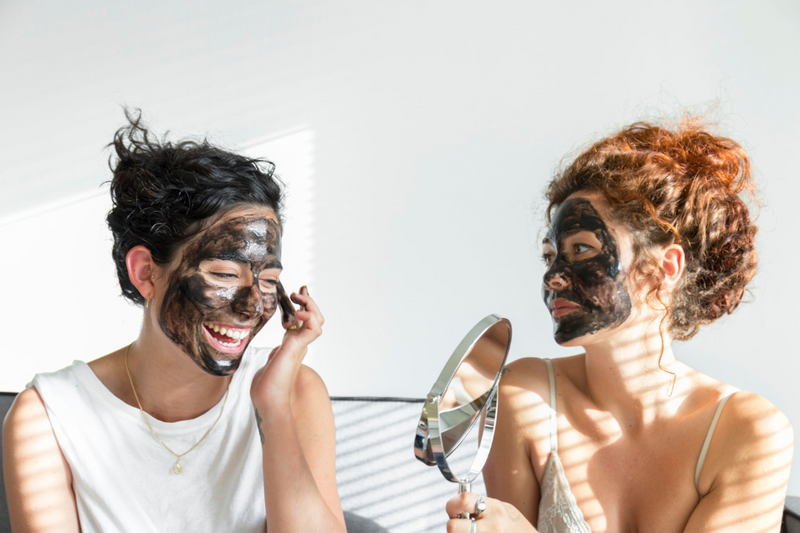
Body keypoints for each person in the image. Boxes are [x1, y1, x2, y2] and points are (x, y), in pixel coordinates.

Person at [2, 112, 346, 532]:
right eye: (223, 274)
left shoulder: (295, 391)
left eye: (269, 280)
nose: (254, 304)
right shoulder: (50, 416)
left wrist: (273, 408)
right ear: (146, 272)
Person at [446, 119, 794, 532]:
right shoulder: (527, 399)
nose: (553, 275)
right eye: (550, 256)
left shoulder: (746, 433)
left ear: (664, 267)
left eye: (581, 249)